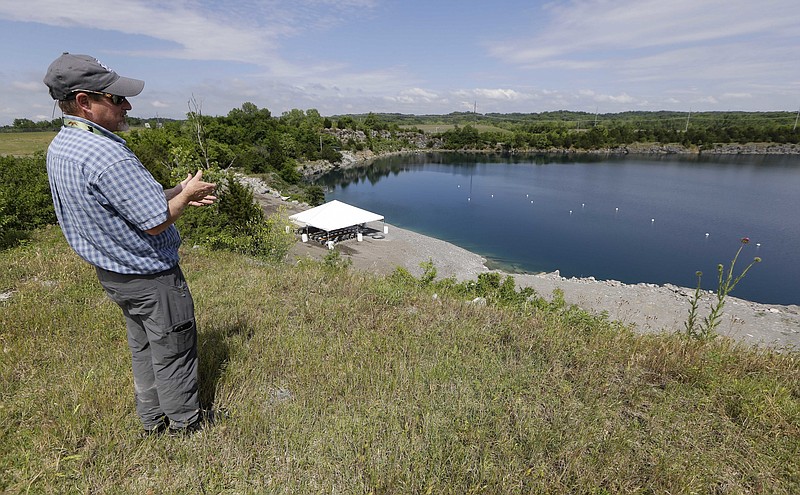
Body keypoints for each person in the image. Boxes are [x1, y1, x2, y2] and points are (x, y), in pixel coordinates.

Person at [43, 52, 218, 436]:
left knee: (144, 346)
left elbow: (127, 202)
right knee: (173, 349)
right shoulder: (107, 154)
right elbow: (155, 221)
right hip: (150, 275)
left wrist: (179, 190)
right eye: (116, 98)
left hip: (114, 273)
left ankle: (151, 419)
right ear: (85, 102)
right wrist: (185, 199)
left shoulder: (64, 146)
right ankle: (185, 425)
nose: (127, 105)